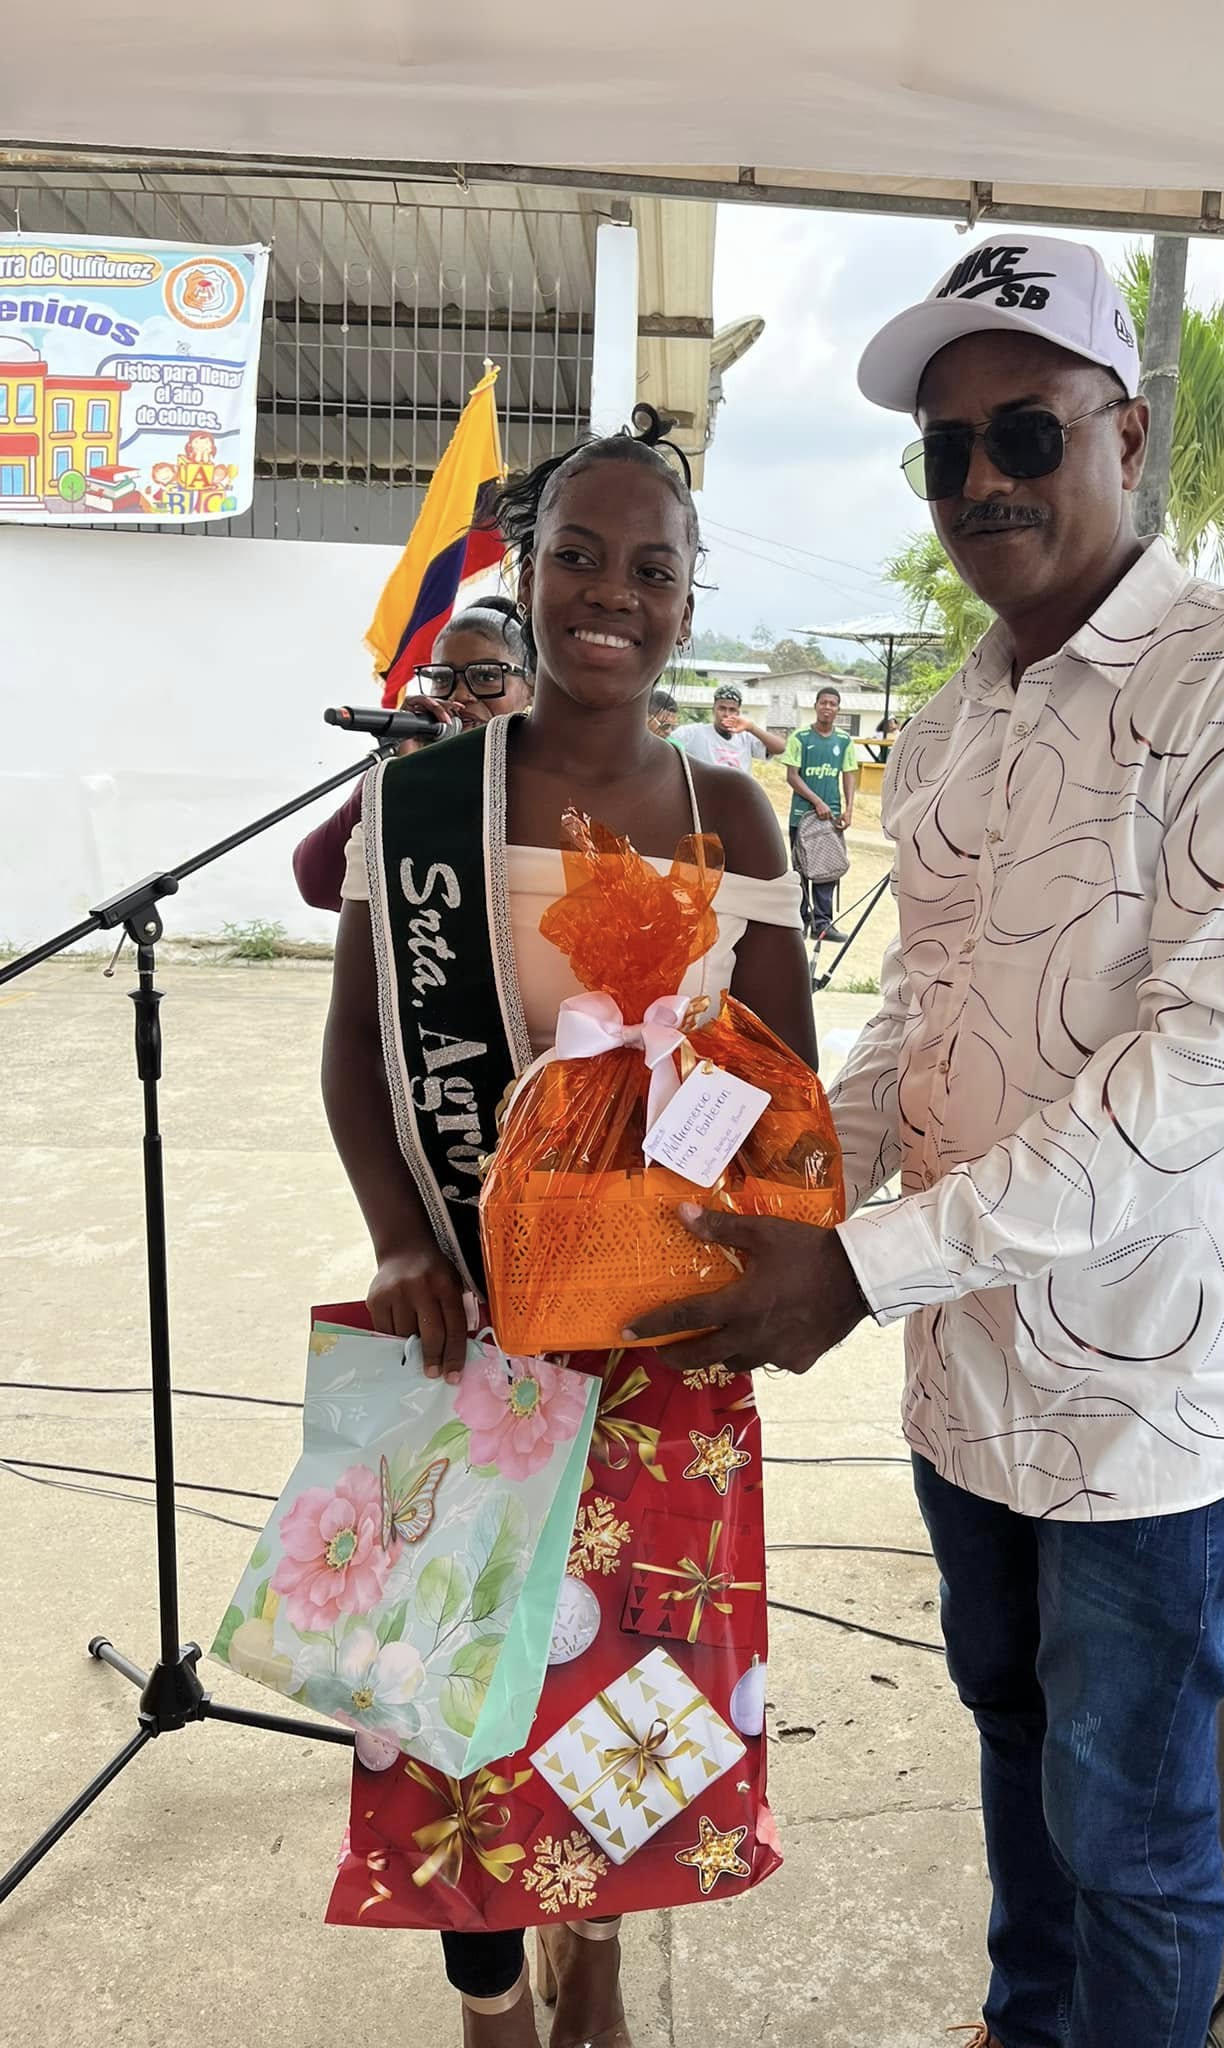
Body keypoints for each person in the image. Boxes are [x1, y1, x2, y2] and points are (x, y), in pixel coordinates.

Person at [629, 232, 1224, 2048]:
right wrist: (788, 1187)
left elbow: (1208, 1064)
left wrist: (855, 1266)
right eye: (944, 451)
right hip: (967, 1372)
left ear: (1128, 434)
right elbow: (919, 1014)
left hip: (1143, 1399)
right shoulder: (955, 717)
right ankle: (1026, 2022)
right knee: (1018, 1741)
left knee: (1132, 1828)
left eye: (1024, 433)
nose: (981, 483)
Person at [320, 407, 812, 2048]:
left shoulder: (732, 814)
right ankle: (489, 1997)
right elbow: (354, 1053)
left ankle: (594, 1943)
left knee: (633, 1688)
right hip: (466, 1326)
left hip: (659, 1341)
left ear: (689, 600)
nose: (613, 593)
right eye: (580, 556)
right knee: (448, 1692)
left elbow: (786, 1076)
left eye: (651, 568)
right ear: (526, 574)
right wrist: (401, 1238)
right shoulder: (422, 806)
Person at [292, 600, 532, 912]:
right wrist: (402, 773)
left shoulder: (552, 774)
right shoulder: (410, 774)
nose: (460, 695)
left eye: (486, 676)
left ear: (532, 686)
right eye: (442, 678)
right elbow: (318, 884)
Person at [785, 686, 858, 940]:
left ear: (838, 709)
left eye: (832, 703)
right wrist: (816, 801)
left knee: (828, 868)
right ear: (816, 705)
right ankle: (800, 921)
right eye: (823, 702)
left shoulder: (844, 741)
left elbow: (849, 774)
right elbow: (792, 776)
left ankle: (823, 925)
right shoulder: (800, 737)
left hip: (831, 817)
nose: (827, 707)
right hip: (802, 816)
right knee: (801, 868)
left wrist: (849, 809)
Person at [670, 681, 786, 769]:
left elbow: (780, 748)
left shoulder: (745, 737)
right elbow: (666, 741)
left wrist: (752, 728)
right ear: (713, 710)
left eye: (732, 710)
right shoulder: (694, 733)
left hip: (739, 792)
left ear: (738, 713)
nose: (726, 714)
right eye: (722, 708)